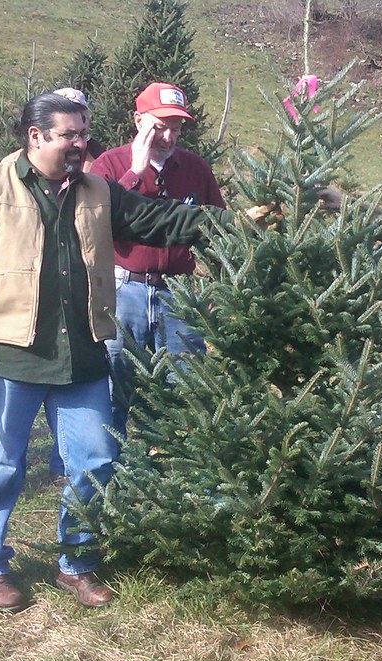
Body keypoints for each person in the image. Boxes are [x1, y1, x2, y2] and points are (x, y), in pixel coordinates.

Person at [0, 92, 229, 611]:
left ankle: (78, 562)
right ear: (36, 136)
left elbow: (163, 221)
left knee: (95, 459)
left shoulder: (99, 191)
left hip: (84, 354)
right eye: (69, 134)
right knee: (0, 465)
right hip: (11, 354)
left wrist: (238, 219)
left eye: (84, 134)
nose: (80, 143)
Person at [89, 82, 226, 451]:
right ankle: (109, 477)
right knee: (115, 387)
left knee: (183, 388)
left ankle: (170, 478)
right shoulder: (110, 165)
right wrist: (134, 172)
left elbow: (218, 230)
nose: (168, 136)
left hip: (178, 295)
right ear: (139, 121)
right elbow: (98, 220)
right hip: (124, 291)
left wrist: (219, 291)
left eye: (177, 128)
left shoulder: (196, 170)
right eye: (160, 126)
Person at [51, 87, 105, 171]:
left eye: (81, 117)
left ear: (89, 121)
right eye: (65, 117)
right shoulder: (30, 163)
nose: (75, 122)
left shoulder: (103, 161)